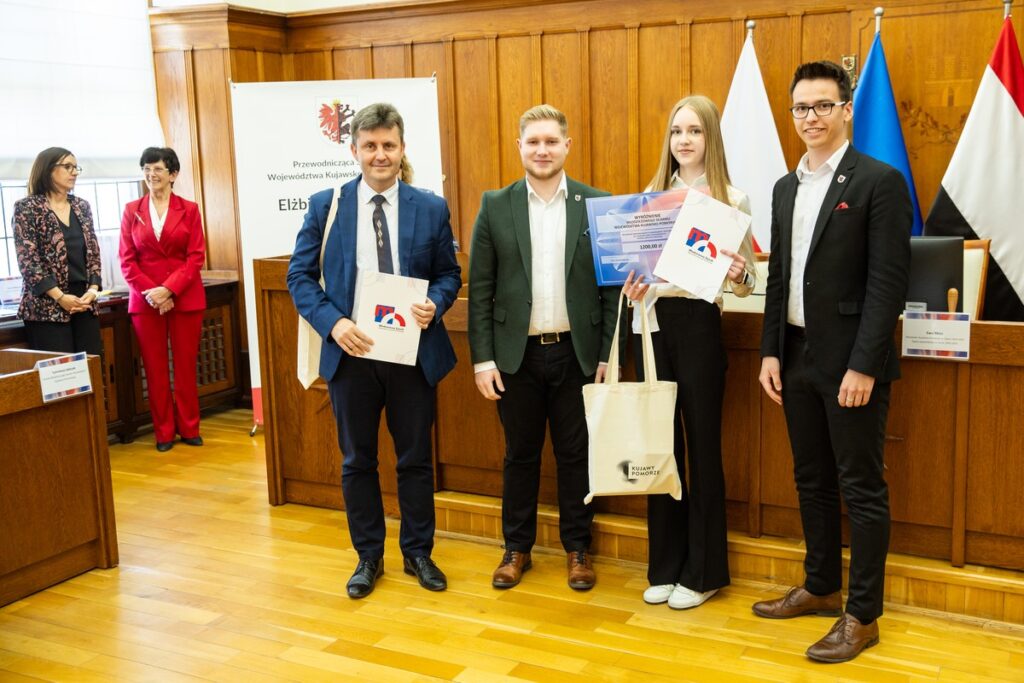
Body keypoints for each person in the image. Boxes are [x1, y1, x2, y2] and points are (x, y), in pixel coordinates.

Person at [752, 61, 912, 663]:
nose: (811, 118)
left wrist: (865, 364)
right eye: (800, 108)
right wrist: (770, 348)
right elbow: (780, 279)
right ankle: (821, 586)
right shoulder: (784, 187)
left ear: (846, 109)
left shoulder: (879, 181)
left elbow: (886, 285)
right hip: (794, 358)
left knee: (861, 487)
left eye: (822, 106)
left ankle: (863, 615)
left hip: (852, 365)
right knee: (810, 478)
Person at [287, 103, 461, 599]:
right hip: (352, 356)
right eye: (370, 146)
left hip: (413, 355)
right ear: (354, 150)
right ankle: (368, 557)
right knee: (357, 461)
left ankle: (418, 553)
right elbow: (298, 277)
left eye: (389, 145)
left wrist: (436, 302)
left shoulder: (430, 207)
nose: (380, 155)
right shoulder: (328, 205)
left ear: (402, 149)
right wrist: (333, 323)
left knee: (415, 460)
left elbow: (450, 273)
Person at [468, 104, 619, 591]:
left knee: (577, 455)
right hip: (517, 357)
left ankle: (579, 549)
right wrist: (483, 359)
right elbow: (482, 289)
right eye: (533, 141)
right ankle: (516, 549)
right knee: (520, 455)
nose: (542, 150)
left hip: (579, 354)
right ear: (520, 147)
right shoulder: (495, 205)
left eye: (551, 141)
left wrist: (607, 355)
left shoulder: (598, 204)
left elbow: (610, 290)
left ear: (567, 146)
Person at [621, 95, 757, 610]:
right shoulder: (649, 199)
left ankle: (704, 572)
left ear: (710, 138)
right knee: (662, 448)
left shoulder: (732, 199)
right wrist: (632, 289)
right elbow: (632, 271)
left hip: (699, 324)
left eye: (694, 131)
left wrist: (740, 273)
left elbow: (746, 283)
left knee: (700, 448)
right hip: (650, 324)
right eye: (677, 130)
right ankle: (666, 566)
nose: (684, 140)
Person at [119, 147, 207, 453]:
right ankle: (164, 433)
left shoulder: (190, 209)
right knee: (155, 370)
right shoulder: (132, 210)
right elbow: (127, 261)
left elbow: (196, 257)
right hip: (145, 302)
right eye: (146, 169)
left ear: (173, 174)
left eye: (157, 169)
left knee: (184, 368)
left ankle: (189, 428)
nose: (151, 175)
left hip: (184, 298)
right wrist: (154, 294)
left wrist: (169, 290)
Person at [13, 147, 103, 356]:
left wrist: (92, 290)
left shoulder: (82, 206)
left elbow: (93, 253)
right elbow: (28, 261)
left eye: (75, 167)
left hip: (84, 302)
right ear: (48, 170)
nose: (74, 172)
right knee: (61, 381)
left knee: (91, 373)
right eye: (67, 167)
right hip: (47, 305)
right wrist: (61, 297)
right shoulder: (27, 207)